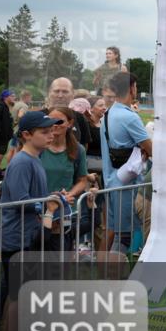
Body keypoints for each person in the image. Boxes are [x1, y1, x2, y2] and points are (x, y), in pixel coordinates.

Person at [0, 110, 62, 331]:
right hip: (16, 237)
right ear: (27, 135)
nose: (51, 135)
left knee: (16, 293)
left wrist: (52, 198)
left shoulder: (33, 159)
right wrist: (47, 205)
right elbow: (20, 201)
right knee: (18, 295)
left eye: (51, 131)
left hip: (24, 235)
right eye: (44, 132)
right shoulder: (23, 162)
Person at [100, 72, 152, 252]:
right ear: (132, 88)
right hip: (127, 185)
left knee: (114, 232)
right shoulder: (129, 117)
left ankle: (102, 268)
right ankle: (115, 270)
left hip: (111, 181)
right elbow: (151, 149)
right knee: (124, 238)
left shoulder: (108, 113)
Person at [41, 107, 89, 250]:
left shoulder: (78, 150)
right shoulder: (39, 148)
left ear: (70, 123)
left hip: (66, 212)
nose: (55, 125)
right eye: (51, 120)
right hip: (41, 210)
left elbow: (82, 180)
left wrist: (69, 195)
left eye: (60, 121)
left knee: (62, 251)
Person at [47, 78, 91, 149]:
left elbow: (84, 144)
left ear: (73, 94)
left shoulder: (80, 117)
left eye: (65, 92)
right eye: (56, 91)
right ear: (49, 93)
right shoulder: (38, 116)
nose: (60, 95)